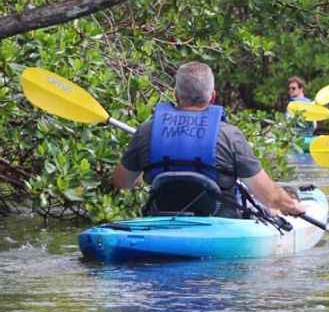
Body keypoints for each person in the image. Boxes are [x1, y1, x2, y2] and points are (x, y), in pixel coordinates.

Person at [113, 61, 304, 217]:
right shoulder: (230, 136)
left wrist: (142, 172)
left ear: (176, 95)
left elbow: (122, 182)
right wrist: (291, 205)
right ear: (212, 97)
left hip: (162, 222)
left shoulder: (147, 131)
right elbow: (269, 196)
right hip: (219, 227)